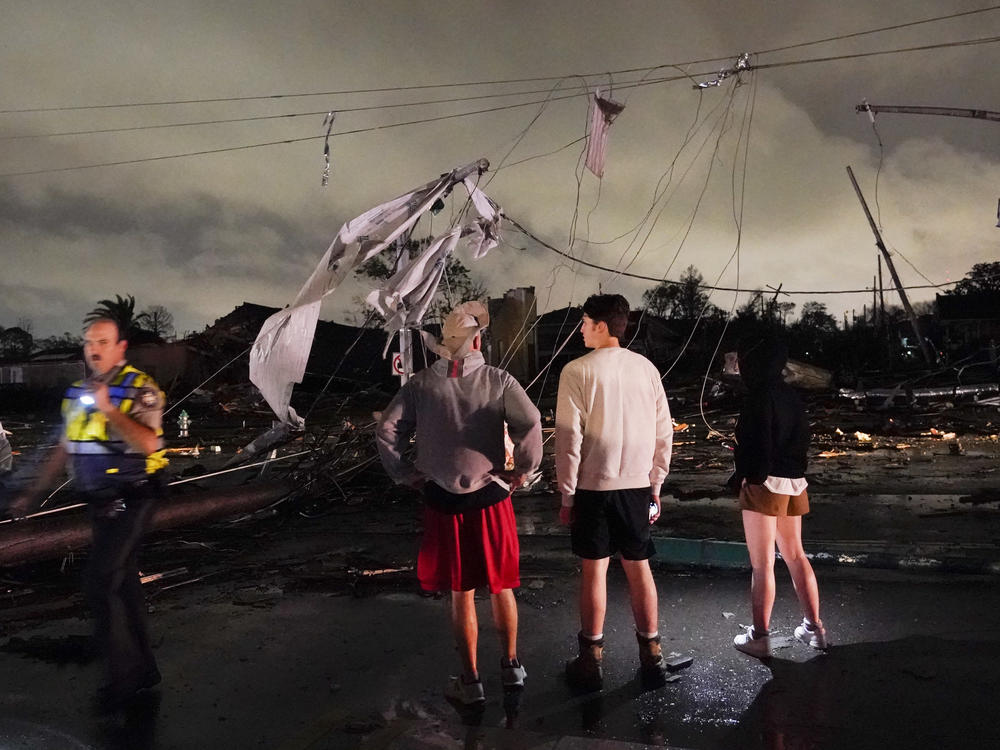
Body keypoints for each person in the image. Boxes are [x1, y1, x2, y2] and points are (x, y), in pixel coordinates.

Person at [375, 301, 542, 706]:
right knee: (502, 586)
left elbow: (387, 428)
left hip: (441, 500)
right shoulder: (498, 380)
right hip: (489, 498)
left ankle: (470, 682)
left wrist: (405, 473)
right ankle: (512, 666)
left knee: (461, 591)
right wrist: (521, 472)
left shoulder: (419, 385)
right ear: (478, 340)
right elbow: (531, 422)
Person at [9, 318, 169, 710]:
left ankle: (122, 679)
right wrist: (31, 494)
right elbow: (65, 447)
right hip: (100, 502)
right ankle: (144, 669)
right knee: (124, 584)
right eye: (88, 343)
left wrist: (109, 409)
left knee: (100, 583)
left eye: (103, 341)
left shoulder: (140, 388)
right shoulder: (76, 393)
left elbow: (150, 443)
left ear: (120, 347)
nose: (94, 349)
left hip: (135, 496)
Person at [555, 294, 674, 691]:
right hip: (636, 485)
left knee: (595, 570)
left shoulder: (576, 371)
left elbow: (569, 440)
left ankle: (591, 661)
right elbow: (664, 433)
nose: (582, 329)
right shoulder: (647, 370)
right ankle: (652, 655)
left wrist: (567, 494)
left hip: (593, 486)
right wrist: (655, 485)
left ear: (603, 326)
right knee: (639, 567)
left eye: (587, 322)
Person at [730, 337, 827, 658]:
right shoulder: (792, 397)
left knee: (762, 565)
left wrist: (747, 477)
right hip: (795, 481)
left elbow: (756, 445)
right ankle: (815, 629)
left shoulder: (759, 397)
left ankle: (759, 636)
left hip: (765, 485)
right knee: (796, 555)